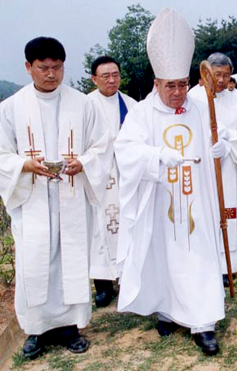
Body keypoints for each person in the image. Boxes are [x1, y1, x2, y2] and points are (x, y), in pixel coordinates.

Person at [114, 8, 226, 356]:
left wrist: (217, 149)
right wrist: (157, 156)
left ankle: (204, 323)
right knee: (164, 256)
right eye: (169, 86)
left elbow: (208, 145)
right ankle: (169, 311)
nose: (177, 93)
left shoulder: (198, 108)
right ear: (156, 84)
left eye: (182, 85)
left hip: (196, 200)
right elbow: (126, 150)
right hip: (160, 197)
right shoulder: (142, 114)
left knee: (199, 256)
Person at [0, 37, 110, 359]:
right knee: (34, 262)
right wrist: (24, 164)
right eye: (43, 68)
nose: (51, 75)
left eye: (57, 68)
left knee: (70, 260)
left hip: (71, 196)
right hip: (32, 201)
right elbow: (1, 153)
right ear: (28, 68)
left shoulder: (83, 103)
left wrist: (84, 163)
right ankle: (36, 330)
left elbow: (101, 146)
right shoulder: (10, 108)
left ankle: (70, 327)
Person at [188, 52, 237, 287]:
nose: (222, 80)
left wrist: (228, 142)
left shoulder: (236, 99)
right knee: (205, 215)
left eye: (227, 75)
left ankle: (227, 267)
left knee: (227, 213)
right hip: (203, 169)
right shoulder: (193, 98)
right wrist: (209, 144)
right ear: (206, 73)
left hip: (226, 170)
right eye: (218, 74)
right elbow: (187, 133)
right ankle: (205, 265)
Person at [87, 56, 137, 308]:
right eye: (105, 75)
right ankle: (104, 286)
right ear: (94, 78)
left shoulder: (130, 104)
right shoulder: (85, 106)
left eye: (115, 74)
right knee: (98, 231)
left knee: (127, 226)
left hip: (125, 176)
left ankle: (127, 279)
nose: (111, 79)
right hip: (100, 179)